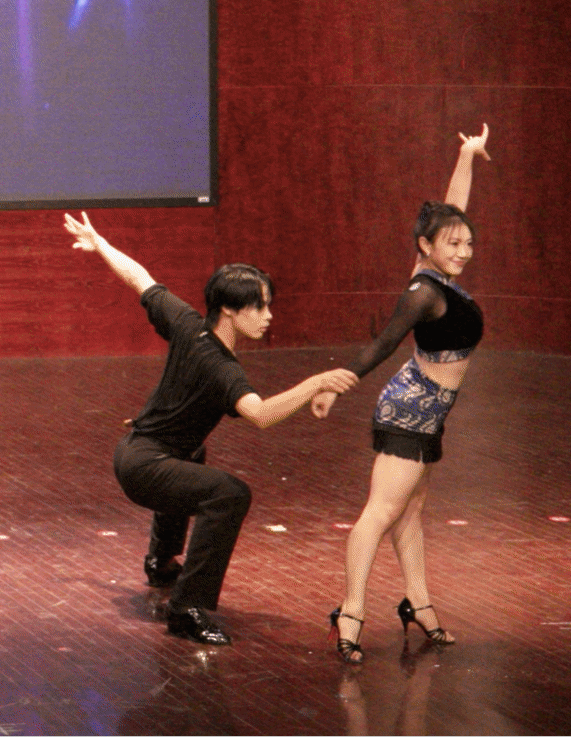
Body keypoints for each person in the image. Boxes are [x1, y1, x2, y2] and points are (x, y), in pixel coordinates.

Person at [65, 212, 358, 646]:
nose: (268, 316)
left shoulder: (187, 323)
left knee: (192, 455)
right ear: (229, 309)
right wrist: (316, 382)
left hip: (136, 453)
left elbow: (140, 278)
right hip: (144, 467)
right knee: (228, 495)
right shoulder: (221, 367)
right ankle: (186, 611)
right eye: (259, 307)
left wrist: (100, 243)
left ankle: (161, 561)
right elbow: (261, 415)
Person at [316, 124, 492, 661]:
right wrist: (336, 384)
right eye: (452, 244)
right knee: (380, 514)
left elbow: (452, 210)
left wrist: (466, 155)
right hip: (410, 410)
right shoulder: (422, 292)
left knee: (411, 512)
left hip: (429, 411)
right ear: (425, 246)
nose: (463, 251)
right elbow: (383, 343)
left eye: (467, 243)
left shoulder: (433, 270)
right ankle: (350, 612)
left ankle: (418, 602)